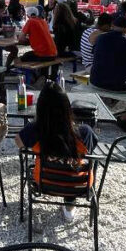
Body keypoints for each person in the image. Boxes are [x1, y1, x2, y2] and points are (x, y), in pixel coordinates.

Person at [14, 81, 96, 223]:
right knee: (76, 167)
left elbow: (18, 142)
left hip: (44, 183)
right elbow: (91, 150)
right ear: (67, 108)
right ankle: (69, 208)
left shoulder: (35, 130)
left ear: (40, 108)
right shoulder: (84, 132)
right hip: (78, 185)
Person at [89, 15, 126, 93]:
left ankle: (111, 103)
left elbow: (97, 54)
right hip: (120, 86)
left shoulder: (100, 38)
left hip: (95, 83)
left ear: (113, 26)